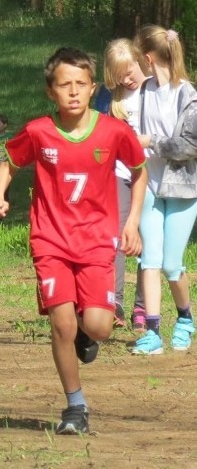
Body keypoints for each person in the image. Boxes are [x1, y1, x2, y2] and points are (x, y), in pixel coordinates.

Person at [0, 47, 147, 435]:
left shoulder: (114, 131)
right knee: (61, 325)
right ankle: (75, 406)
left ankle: (84, 335)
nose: (73, 92)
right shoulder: (39, 131)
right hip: (50, 241)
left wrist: (133, 223)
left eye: (80, 84)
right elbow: (9, 161)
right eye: (64, 85)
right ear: (50, 91)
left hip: (96, 242)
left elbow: (139, 172)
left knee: (100, 327)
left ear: (93, 88)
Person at [131, 26, 197, 356]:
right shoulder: (143, 91)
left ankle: (185, 318)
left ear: (147, 57)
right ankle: (153, 330)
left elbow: (190, 145)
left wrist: (151, 142)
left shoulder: (188, 94)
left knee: (172, 264)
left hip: (184, 190)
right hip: (149, 186)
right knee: (150, 260)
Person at [93, 39, 148, 329]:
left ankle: (143, 307)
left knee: (147, 241)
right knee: (116, 237)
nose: (126, 80)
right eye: (119, 76)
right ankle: (115, 303)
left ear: (141, 60)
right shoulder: (107, 96)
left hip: (151, 174)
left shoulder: (155, 90)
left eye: (129, 72)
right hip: (118, 173)